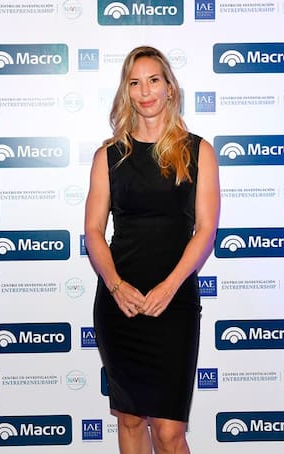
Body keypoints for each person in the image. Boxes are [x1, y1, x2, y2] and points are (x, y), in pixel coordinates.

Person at [84, 46, 220, 453]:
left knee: (168, 432)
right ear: (126, 92)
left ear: (170, 88)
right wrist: (115, 285)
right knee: (129, 420)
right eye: (135, 83)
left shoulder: (198, 151)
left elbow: (206, 229)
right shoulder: (108, 156)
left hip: (174, 304)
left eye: (153, 80)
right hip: (120, 304)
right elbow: (93, 231)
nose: (145, 91)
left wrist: (170, 286)